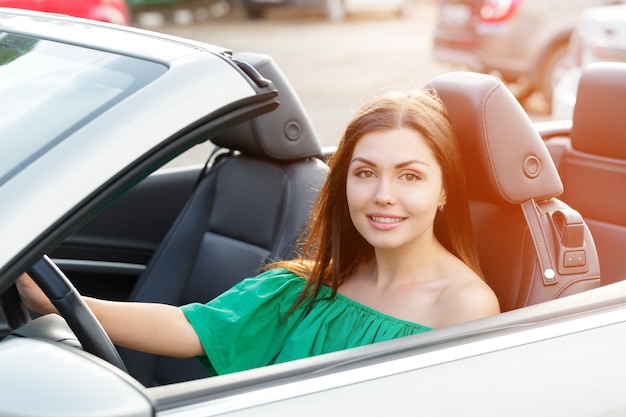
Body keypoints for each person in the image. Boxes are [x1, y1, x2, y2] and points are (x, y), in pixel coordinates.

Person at [17, 88, 500, 376]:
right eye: (365, 172)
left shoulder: (462, 307)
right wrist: (59, 301)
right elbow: (194, 327)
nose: (383, 195)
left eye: (410, 176)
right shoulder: (310, 286)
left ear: (443, 192)